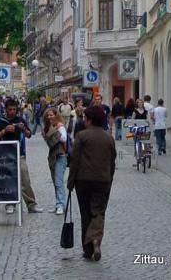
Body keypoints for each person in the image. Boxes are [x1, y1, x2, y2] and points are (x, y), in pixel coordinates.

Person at [67, 106, 117, 262]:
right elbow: (112, 162)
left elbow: (75, 161)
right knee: (98, 212)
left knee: (85, 214)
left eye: (85, 118)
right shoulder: (109, 138)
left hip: (83, 181)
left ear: (89, 120)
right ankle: (96, 241)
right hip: (102, 181)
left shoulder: (81, 136)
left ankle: (88, 249)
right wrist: (109, 179)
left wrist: (70, 182)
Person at [0, 98, 44, 214]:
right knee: (9, 180)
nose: (12, 112)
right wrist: (4, 131)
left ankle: (31, 204)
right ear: (5, 110)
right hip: (5, 155)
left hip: (19, 154)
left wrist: (23, 129)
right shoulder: (0, 121)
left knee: (25, 179)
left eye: (14, 109)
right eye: (10, 109)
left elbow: (29, 134)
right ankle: (10, 203)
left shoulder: (20, 119)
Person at [42, 108, 68, 215]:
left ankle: (60, 204)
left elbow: (64, 139)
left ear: (56, 115)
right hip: (52, 157)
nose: (49, 117)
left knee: (58, 182)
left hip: (60, 156)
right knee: (55, 182)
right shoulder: (48, 128)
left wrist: (54, 132)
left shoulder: (59, 126)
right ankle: (59, 203)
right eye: (48, 116)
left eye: (51, 115)